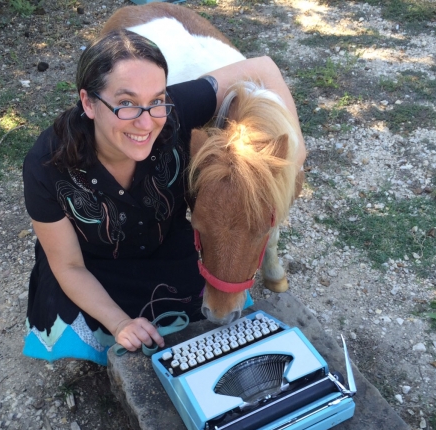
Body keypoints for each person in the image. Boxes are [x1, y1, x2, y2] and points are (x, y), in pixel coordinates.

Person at [22, 29, 306, 366]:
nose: (145, 123)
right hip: (95, 266)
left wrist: (294, 153)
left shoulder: (174, 111)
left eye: (156, 100)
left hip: (169, 252)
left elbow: (263, 67)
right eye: (126, 103)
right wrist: (119, 322)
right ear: (88, 102)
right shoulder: (47, 165)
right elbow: (68, 265)